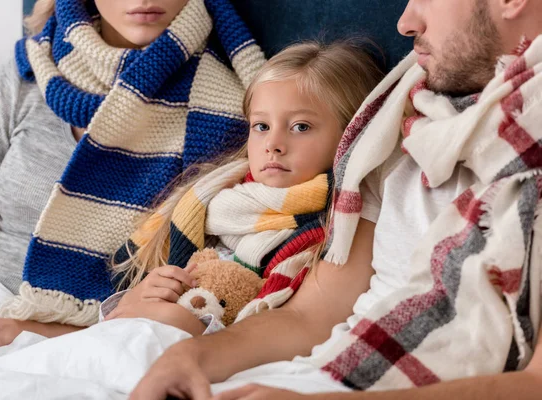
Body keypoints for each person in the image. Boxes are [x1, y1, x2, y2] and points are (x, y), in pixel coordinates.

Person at [125, 0, 542, 399]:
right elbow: (310, 316)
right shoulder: (400, 122)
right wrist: (188, 358)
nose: (405, 23)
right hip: (310, 368)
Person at [0, 40, 383, 380]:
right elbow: (153, 276)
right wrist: (152, 292)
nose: (274, 143)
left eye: (301, 126)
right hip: (132, 316)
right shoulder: (216, 196)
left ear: (349, 135)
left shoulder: (333, 221)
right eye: (261, 126)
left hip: (207, 333)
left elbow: (294, 314)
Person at [0, 0, 263, 352]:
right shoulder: (30, 71)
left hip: (108, 331)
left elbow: (186, 304)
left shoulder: (229, 111)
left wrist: (8, 332)